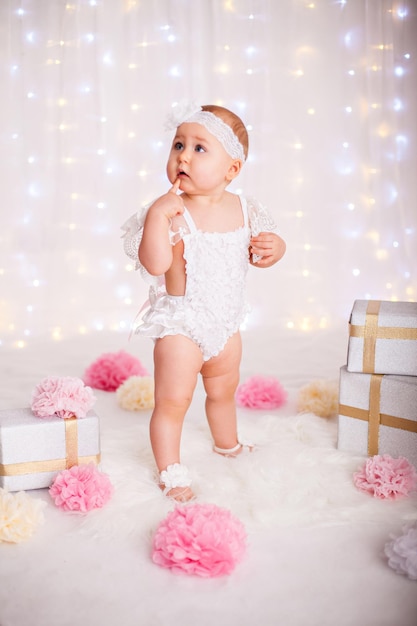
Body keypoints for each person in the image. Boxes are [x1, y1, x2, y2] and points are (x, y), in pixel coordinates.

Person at [122, 102, 286, 502]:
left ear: (232, 169)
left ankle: (226, 443)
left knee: (223, 392)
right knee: (173, 402)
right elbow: (155, 263)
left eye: (199, 148)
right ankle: (171, 471)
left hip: (226, 326)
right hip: (182, 326)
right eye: (178, 144)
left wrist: (275, 247)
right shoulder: (170, 211)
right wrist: (158, 218)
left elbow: (260, 254)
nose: (182, 155)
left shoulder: (246, 209)